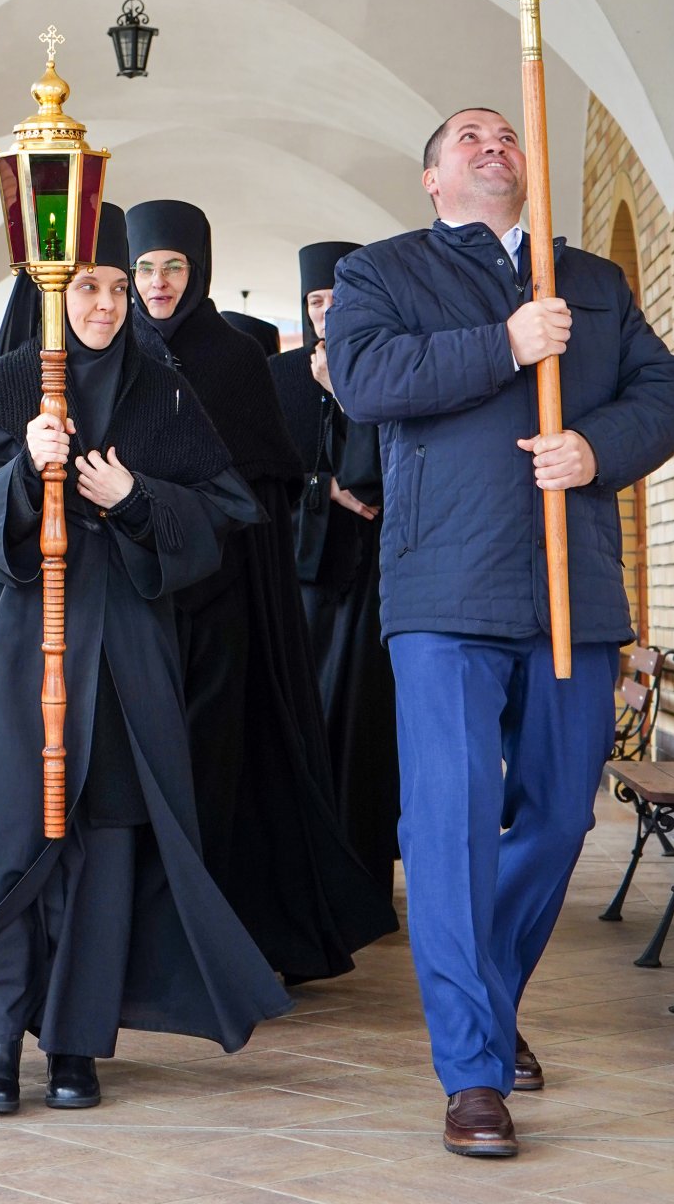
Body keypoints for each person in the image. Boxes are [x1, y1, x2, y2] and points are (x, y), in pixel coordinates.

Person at [0, 205, 290, 1114]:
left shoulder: (161, 391)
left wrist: (135, 497)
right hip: (8, 644)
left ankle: (77, 1043)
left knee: (104, 841)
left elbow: (221, 518)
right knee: (2, 835)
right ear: (48, 293)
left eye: (118, 288)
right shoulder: (6, 386)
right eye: (87, 286)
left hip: (122, 648)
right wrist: (21, 469)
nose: (105, 304)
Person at [327, 107, 674, 1160]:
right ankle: (475, 1070)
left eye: (506, 134)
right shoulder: (382, 272)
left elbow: (665, 389)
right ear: (434, 176)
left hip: (572, 588)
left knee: (561, 816)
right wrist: (506, 343)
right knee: (450, 819)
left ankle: (482, 989)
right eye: (469, 138)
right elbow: (367, 382)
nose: (494, 144)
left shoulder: (592, 279)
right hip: (444, 589)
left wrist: (595, 445)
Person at [126, 200, 397, 978]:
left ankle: (215, 932)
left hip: (223, 596)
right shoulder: (116, 353)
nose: (158, 283)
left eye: (173, 266)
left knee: (215, 759)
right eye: (144, 268)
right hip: (142, 596)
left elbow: (261, 481)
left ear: (198, 269)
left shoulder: (232, 359)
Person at [271, 244, 397, 902]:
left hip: (368, 582)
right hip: (299, 581)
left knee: (362, 726)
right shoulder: (279, 376)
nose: (326, 313)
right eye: (316, 302)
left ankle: (361, 878)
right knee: (308, 719)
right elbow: (266, 479)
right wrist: (323, 488)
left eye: (338, 300)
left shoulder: (382, 369)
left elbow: (374, 475)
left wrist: (341, 392)